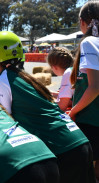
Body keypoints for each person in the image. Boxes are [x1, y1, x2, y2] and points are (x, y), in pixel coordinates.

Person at [0, 31, 96, 183]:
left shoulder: (2, 80)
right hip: (80, 141)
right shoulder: (27, 78)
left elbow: (5, 121)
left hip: (63, 149)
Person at [69, 1, 99, 180]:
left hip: (91, 121)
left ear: (82, 21)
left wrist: (73, 111)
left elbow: (95, 87)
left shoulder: (90, 42)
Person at [47, 47, 74, 112]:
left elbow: (62, 106)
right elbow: (72, 99)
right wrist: (48, 93)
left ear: (54, 67)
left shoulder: (68, 73)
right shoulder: (74, 69)